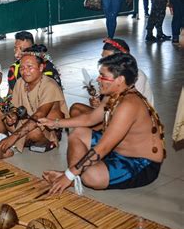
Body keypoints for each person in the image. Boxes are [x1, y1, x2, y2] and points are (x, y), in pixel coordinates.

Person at [40, 53, 164, 195]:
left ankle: (72, 176)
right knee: (78, 133)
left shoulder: (129, 105)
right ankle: (73, 176)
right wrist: (55, 123)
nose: (98, 79)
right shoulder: (115, 93)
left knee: (90, 176)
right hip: (117, 151)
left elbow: (103, 147)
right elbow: (90, 118)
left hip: (140, 164)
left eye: (102, 76)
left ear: (120, 79)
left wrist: (68, 175)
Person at [0, 32, 62, 141]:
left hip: (43, 112)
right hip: (22, 110)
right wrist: (10, 112)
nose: (18, 53)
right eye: (16, 48)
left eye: (22, 49)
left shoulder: (47, 69)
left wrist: (17, 114)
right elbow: (11, 95)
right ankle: (1, 141)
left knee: (34, 130)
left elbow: (47, 107)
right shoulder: (15, 69)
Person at [0, 46, 68, 159]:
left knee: (35, 132)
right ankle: (4, 145)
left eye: (29, 67)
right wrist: (13, 115)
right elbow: (14, 107)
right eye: (22, 67)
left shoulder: (49, 85)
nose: (25, 71)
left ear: (41, 67)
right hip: (26, 123)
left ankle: (4, 145)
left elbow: (39, 116)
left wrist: (13, 137)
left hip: (47, 131)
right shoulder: (20, 82)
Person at [70, 38, 154, 118]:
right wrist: (98, 102)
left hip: (128, 118)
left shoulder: (138, 76)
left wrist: (103, 106)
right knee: (76, 108)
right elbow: (107, 98)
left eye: (108, 58)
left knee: (82, 127)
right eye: (102, 57)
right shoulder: (109, 72)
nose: (103, 60)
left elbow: (130, 107)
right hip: (111, 112)